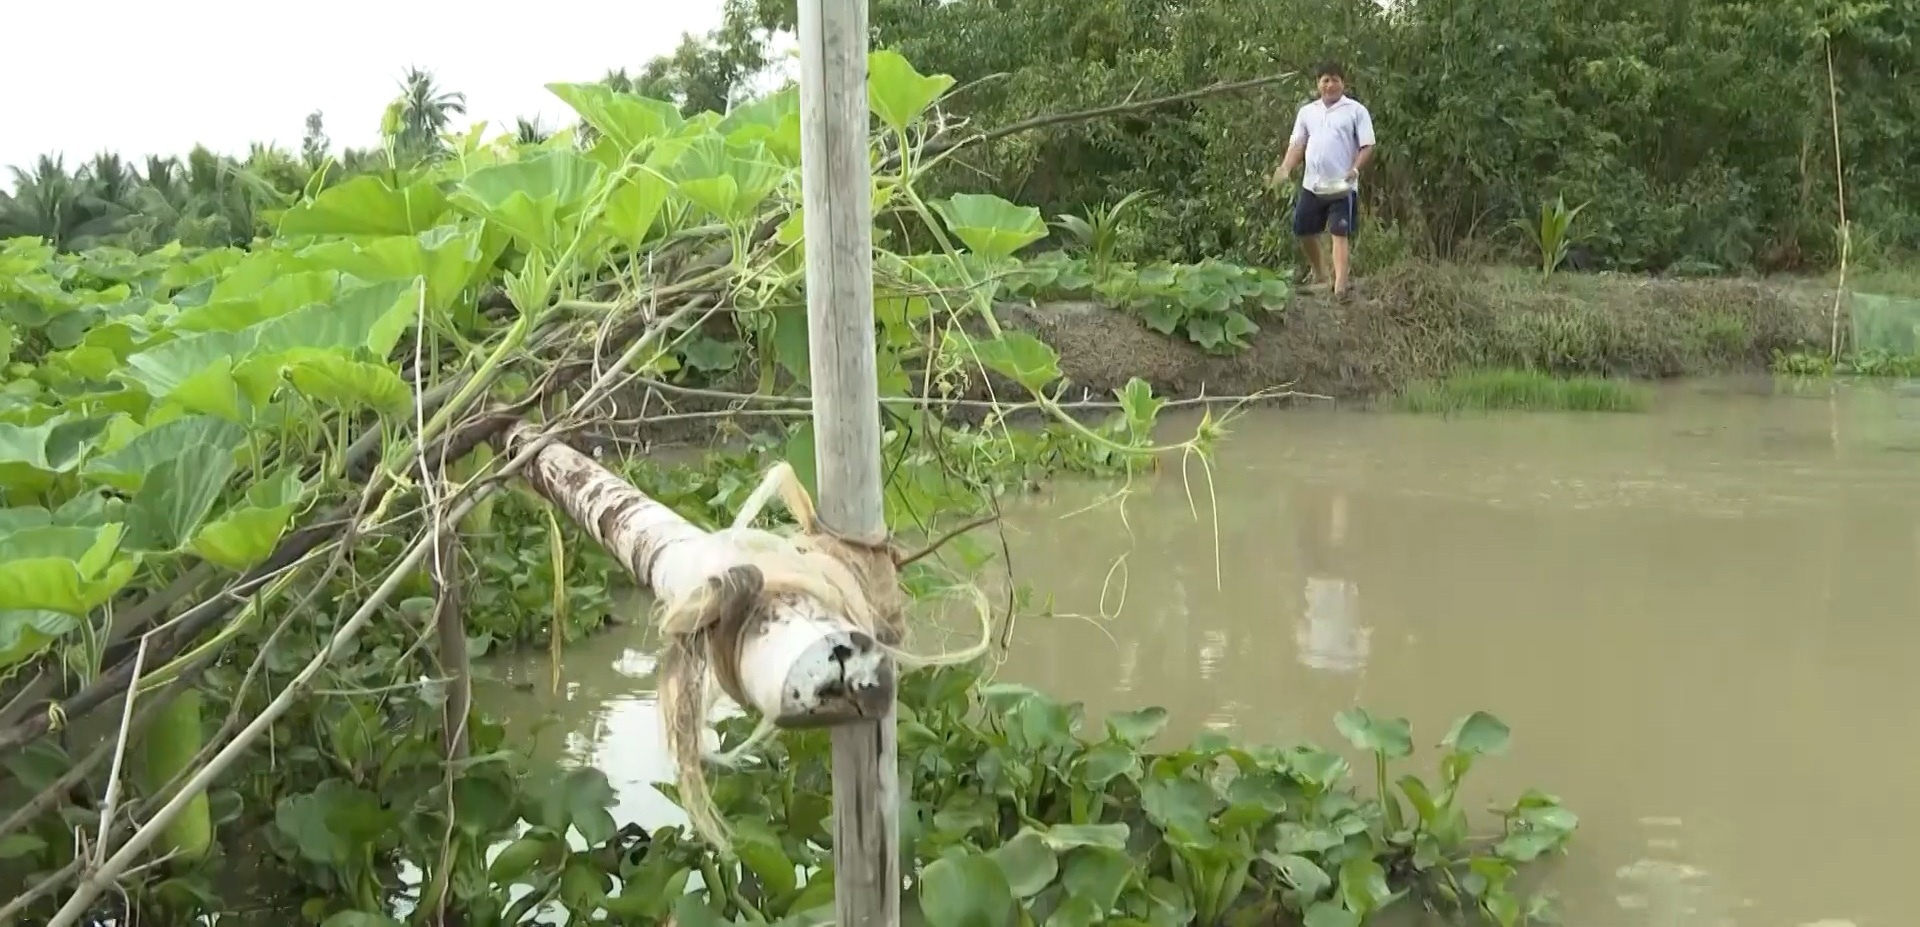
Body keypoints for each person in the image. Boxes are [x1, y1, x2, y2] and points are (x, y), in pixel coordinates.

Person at [1269, 61, 1375, 300]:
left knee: (1339, 232)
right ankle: (1320, 275)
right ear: (1318, 84)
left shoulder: (1355, 111)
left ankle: (1339, 288)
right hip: (1313, 184)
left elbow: (1368, 145)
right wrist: (1285, 168)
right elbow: (1297, 144)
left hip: (1342, 185)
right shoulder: (1308, 112)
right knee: (1303, 229)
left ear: (1343, 83)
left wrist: (1355, 169)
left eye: (1334, 80)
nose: (1329, 85)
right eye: (1325, 80)